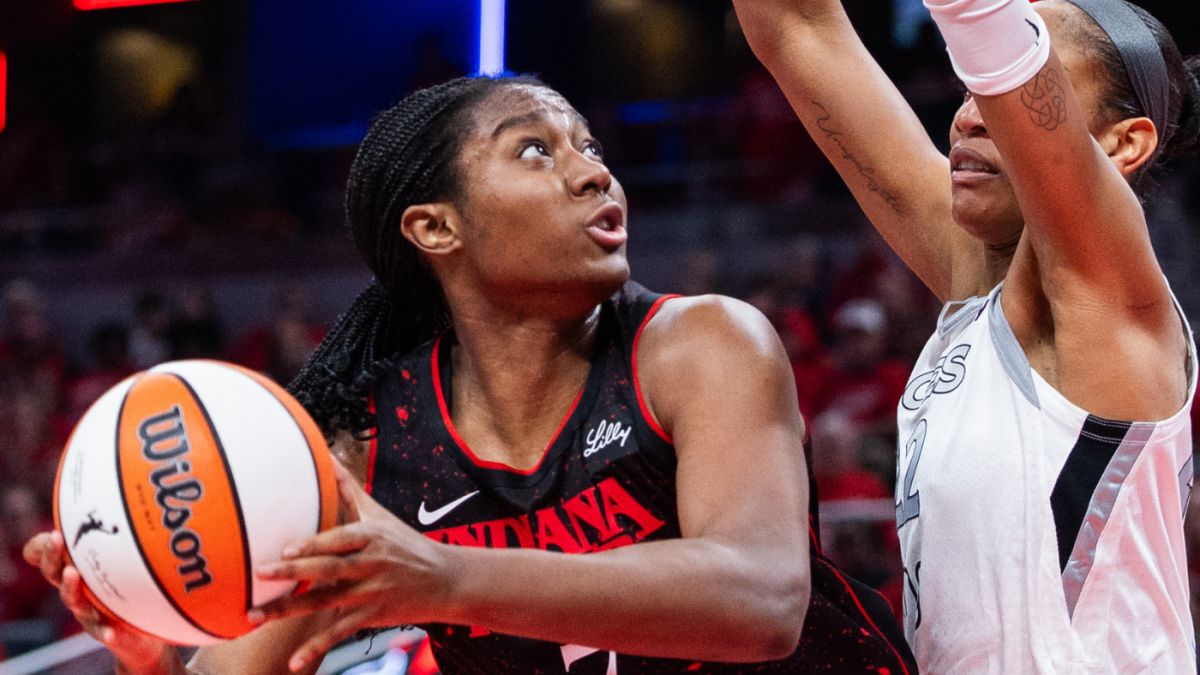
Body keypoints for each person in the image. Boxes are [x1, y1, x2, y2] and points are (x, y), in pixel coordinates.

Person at [26, 76, 916, 675]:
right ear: (435, 228)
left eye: (589, 146)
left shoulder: (699, 345)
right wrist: (156, 650)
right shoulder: (368, 444)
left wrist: (441, 576)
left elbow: (761, 600)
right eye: (537, 150)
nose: (592, 171)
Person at [731, 0, 1198, 671]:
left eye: (1011, 90)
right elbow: (795, 26)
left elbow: (977, 13)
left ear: (1124, 144)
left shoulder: (1114, 293)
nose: (971, 114)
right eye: (968, 88)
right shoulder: (977, 285)